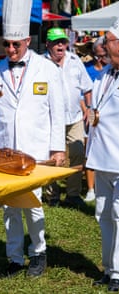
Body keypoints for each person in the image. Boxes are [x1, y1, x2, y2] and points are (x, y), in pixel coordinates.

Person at [0, 0, 66, 278]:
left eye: (16, 45)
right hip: (4, 152)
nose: (11, 50)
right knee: (9, 207)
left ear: (28, 40)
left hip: (36, 151)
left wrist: (58, 147)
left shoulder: (46, 69)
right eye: (7, 45)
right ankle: (14, 257)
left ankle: (38, 253)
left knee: (34, 204)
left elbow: (57, 111)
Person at [43, 27, 93, 208]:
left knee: (78, 154)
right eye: (56, 42)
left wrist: (88, 108)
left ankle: (72, 194)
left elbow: (87, 87)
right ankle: (52, 195)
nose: (60, 45)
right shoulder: (40, 64)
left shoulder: (75, 60)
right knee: (51, 158)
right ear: (48, 44)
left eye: (63, 41)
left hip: (75, 118)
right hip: (49, 120)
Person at [87, 18, 119, 292]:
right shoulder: (105, 74)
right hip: (101, 157)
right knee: (103, 214)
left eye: (108, 40)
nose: (103, 45)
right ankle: (109, 268)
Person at [83, 36, 109, 202]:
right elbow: (82, 91)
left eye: (103, 55)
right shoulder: (88, 69)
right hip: (92, 112)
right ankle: (91, 189)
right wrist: (86, 110)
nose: (101, 59)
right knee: (90, 148)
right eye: (98, 56)